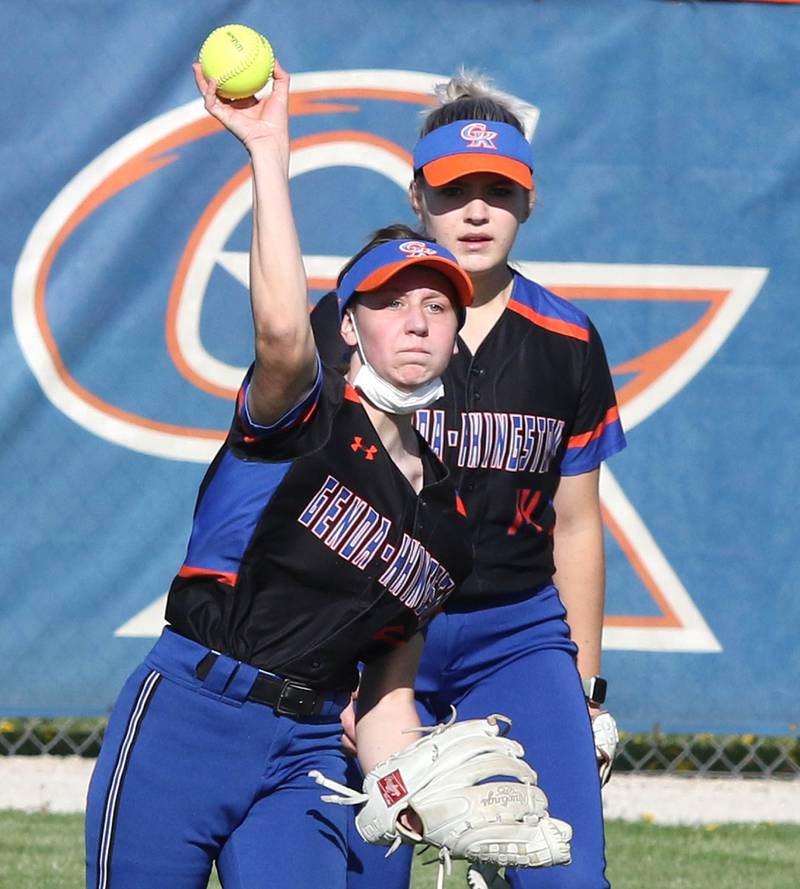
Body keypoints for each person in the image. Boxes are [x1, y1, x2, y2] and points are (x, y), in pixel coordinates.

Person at [84, 58, 475, 889]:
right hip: (188, 716)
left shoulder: (445, 525)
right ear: (350, 326)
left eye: (436, 303)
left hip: (305, 750)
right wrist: (268, 148)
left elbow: (387, 702)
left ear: (455, 333)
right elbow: (281, 337)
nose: (415, 318)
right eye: (390, 299)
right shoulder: (301, 418)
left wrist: (427, 785)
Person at [314, 71, 627, 889]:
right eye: (455, 191)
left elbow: (577, 521)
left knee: (565, 868)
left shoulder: (565, 338)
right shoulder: (354, 317)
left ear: (531, 203)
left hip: (512, 635)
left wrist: (585, 689)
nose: (478, 211)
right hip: (366, 635)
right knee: (363, 871)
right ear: (417, 195)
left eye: (500, 190)